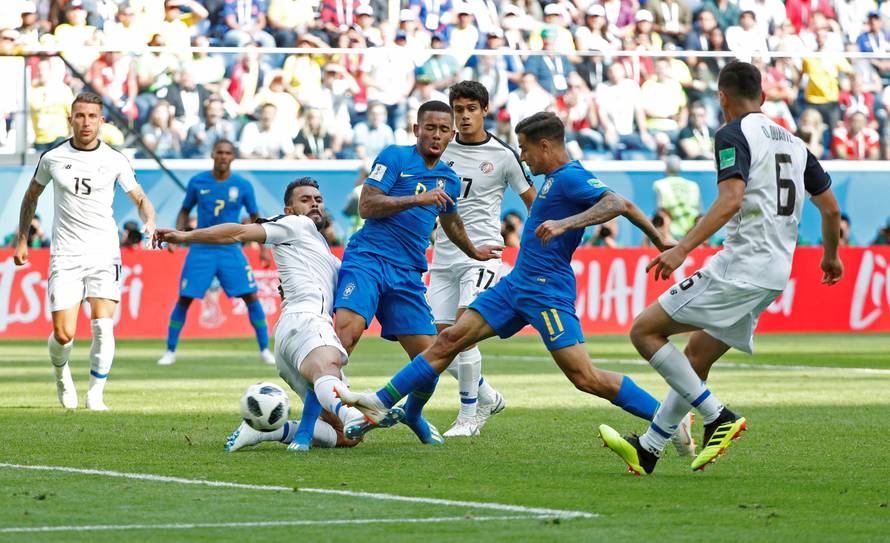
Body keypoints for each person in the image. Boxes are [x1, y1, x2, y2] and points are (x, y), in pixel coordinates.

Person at [337, 112, 694, 455]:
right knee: (450, 339)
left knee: (584, 377)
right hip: (516, 285)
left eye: (524, 149)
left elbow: (617, 202)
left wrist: (568, 224)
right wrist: (659, 238)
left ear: (545, 146)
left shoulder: (571, 176)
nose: (522, 157)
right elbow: (628, 206)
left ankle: (670, 418)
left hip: (546, 291)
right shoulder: (551, 180)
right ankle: (382, 402)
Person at [597, 61, 843, 475]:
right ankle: (650, 448)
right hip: (774, 273)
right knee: (695, 357)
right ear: (763, 97)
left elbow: (730, 199)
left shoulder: (733, 133)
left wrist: (682, 249)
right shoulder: (797, 145)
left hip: (740, 264)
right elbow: (831, 209)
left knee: (644, 331)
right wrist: (831, 255)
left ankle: (717, 417)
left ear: (722, 98)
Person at [154, 178, 404, 453]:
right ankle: (356, 413)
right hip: (306, 323)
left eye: (318, 199)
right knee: (331, 376)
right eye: (305, 199)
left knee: (347, 437)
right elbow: (236, 233)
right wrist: (185, 236)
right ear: (289, 209)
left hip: (293, 338)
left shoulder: (327, 254)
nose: (314, 204)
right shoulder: (295, 224)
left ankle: (267, 432)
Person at [333, 100, 504, 445]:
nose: (436, 135)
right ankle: (320, 418)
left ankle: (412, 414)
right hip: (368, 259)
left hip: (408, 273)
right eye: (430, 128)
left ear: (451, 135)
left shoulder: (449, 180)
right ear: (416, 129)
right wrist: (417, 199)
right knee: (344, 337)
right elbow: (367, 206)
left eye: (444, 130)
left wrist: (474, 251)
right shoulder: (395, 157)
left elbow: (451, 221)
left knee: (431, 362)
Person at [12, 91, 157, 411]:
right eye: (80, 115)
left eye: (92, 116)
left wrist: (149, 218)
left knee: (103, 326)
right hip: (65, 254)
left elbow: (141, 198)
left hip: (104, 253)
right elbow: (31, 196)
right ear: (71, 119)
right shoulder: (52, 158)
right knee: (64, 334)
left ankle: (95, 393)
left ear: (102, 121)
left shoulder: (115, 159)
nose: (86, 122)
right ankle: (62, 375)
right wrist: (22, 239)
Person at [430, 81, 537, 437]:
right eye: (458, 109)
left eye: (470, 109)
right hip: (443, 257)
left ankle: (468, 417)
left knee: (464, 334)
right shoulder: (441, 150)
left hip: (483, 256)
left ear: (484, 110)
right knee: (438, 344)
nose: (463, 116)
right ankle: (487, 395)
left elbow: (533, 203)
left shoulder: (504, 155)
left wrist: (540, 247)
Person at [157, 139, 274, 366]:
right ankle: (170, 351)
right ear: (212, 154)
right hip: (201, 248)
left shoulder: (243, 185)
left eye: (227, 153)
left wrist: (262, 248)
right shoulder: (197, 182)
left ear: (233, 157)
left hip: (231, 248)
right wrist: (176, 237)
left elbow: (254, 218)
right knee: (185, 298)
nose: (223, 156)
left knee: (250, 295)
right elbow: (184, 210)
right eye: (219, 152)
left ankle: (265, 349)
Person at [652, 155, 701, 238]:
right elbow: (698, 211)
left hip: (671, 234)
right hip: (692, 234)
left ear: (666, 167)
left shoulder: (660, 184)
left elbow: (660, 211)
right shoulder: (693, 185)